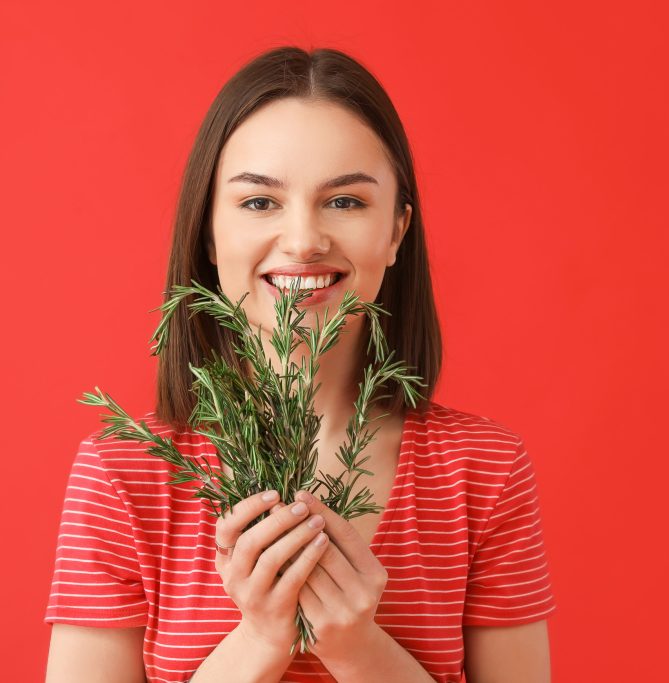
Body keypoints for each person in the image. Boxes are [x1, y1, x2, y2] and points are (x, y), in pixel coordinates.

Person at [43, 45, 556, 683]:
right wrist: (259, 640)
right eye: (260, 202)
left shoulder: (484, 473)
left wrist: (356, 647)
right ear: (208, 232)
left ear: (396, 232)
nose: (304, 239)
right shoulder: (123, 476)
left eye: (345, 201)